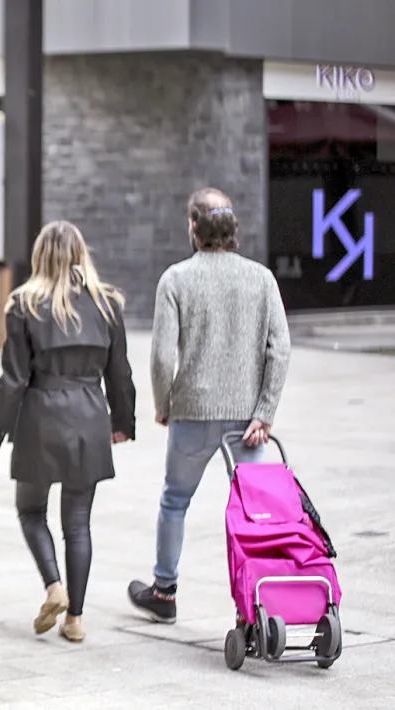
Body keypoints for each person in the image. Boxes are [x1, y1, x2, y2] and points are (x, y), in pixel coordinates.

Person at [0, 220, 136, 643]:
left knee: (30, 511)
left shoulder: (24, 306)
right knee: (78, 524)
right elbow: (120, 373)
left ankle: (53, 587)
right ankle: (74, 619)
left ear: (40, 256)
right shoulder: (108, 303)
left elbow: (13, 381)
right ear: (81, 255)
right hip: (90, 417)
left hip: (40, 418)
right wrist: (121, 423)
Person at [128, 187, 291, 624]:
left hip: (193, 411)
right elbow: (281, 348)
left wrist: (165, 403)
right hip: (246, 420)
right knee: (255, 510)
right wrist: (265, 411)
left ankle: (164, 593)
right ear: (232, 229)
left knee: (175, 500)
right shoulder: (261, 278)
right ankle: (256, 604)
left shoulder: (176, 279)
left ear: (193, 227)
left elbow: (163, 356)